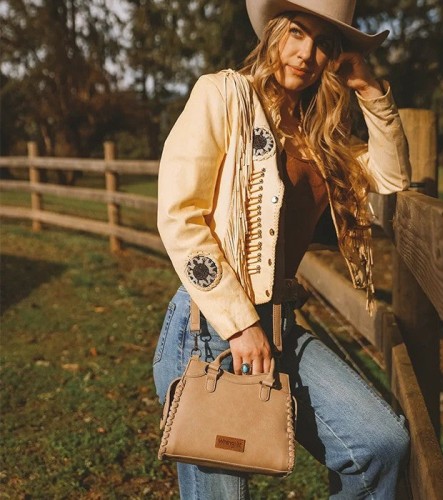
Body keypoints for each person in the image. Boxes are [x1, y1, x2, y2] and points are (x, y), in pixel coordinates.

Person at [154, 0, 411, 498]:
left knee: (379, 444)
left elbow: (392, 179)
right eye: (296, 33)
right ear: (273, 32)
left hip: (279, 325)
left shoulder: (319, 137)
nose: (306, 53)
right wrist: (240, 325)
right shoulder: (223, 95)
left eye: (323, 43)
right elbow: (180, 217)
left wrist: (369, 89)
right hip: (210, 331)